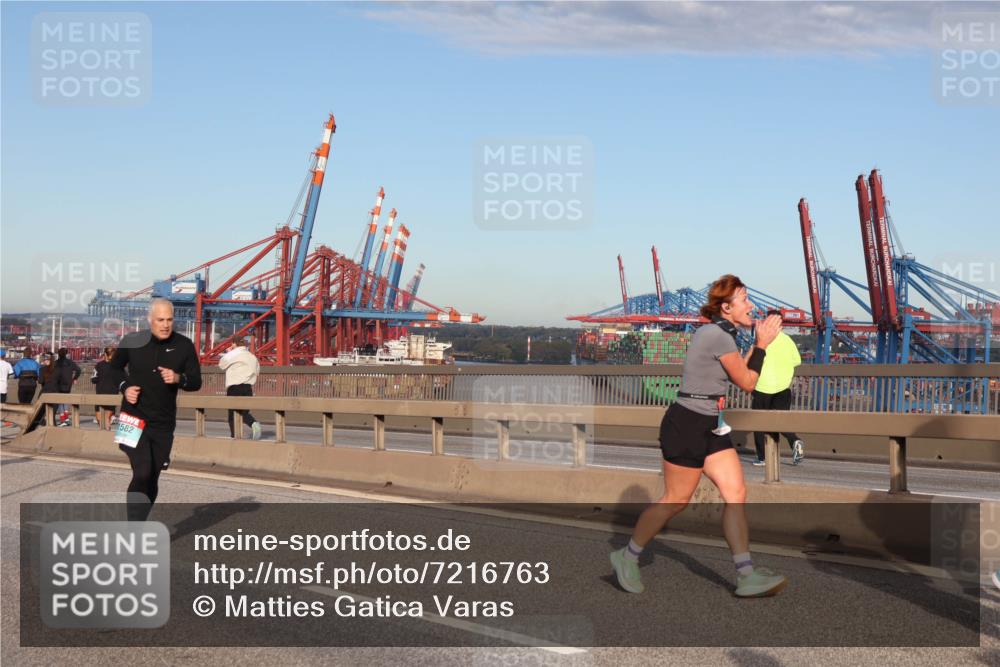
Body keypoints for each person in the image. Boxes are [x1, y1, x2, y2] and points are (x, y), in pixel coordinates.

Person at [611, 275, 788, 598]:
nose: (752, 305)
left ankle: (746, 574)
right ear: (726, 307)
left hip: (711, 424)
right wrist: (762, 344)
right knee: (676, 500)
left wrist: (759, 346)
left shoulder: (723, 335)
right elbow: (749, 383)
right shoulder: (714, 335)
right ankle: (627, 556)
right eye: (745, 299)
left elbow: (739, 374)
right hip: (687, 424)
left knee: (735, 492)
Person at [110, 299, 202, 521]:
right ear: (150, 320)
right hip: (132, 417)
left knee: (152, 477)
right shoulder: (131, 341)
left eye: (169, 319)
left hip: (163, 422)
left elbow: (196, 382)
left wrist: (178, 378)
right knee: (141, 472)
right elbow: (112, 369)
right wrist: (124, 387)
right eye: (160, 320)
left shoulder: (184, 345)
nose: (165, 324)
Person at [750, 310, 805, 466]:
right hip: (783, 388)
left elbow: (753, 360)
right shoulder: (788, 340)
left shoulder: (761, 340)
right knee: (779, 422)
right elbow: (797, 361)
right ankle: (795, 440)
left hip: (762, 386)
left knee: (759, 424)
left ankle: (763, 458)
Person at [218, 337, 262, 440]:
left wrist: (228, 353)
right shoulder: (252, 356)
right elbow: (257, 371)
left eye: (232, 344)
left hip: (234, 386)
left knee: (232, 414)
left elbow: (221, 365)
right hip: (248, 387)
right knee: (244, 412)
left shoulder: (233, 354)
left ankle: (235, 437)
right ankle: (253, 423)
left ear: (234, 344)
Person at [92, 346, 126, 430]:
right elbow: (124, 379)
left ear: (105, 354)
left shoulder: (99, 365)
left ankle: (101, 438)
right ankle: (107, 436)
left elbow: (93, 379)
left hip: (100, 394)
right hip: (113, 395)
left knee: (100, 422)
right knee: (107, 421)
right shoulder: (119, 366)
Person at [53, 347, 82, 424]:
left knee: (59, 400)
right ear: (66, 354)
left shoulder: (55, 363)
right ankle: (66, 417)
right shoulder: (71, 362)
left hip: (58, 383)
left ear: (58, 354)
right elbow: (79, 370)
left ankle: (63, 418)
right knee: (66, 399)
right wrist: (75, 378)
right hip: (68, 383)